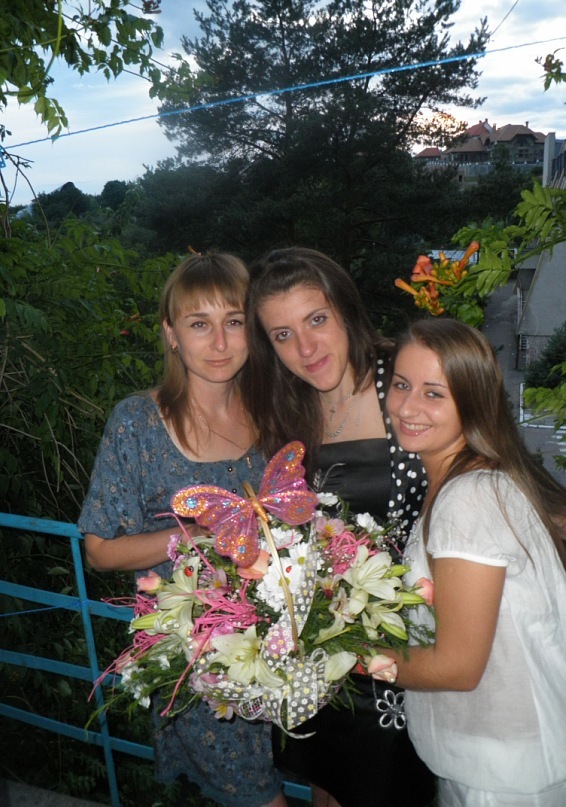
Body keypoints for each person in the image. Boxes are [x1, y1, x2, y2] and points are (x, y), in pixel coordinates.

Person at [78, 253, 287, 807]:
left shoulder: (273, 413)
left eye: (234, 321)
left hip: (285, 646)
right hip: (202, 660)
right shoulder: (138, 423)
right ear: (171, 334)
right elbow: (99, 550)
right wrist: (196, 535)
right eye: (199, 324)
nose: (219, 342)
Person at [377, 317, 566, 806]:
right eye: (401, 384)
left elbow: (457, 666)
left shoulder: (469, 499)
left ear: (473, 401)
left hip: (507, 774)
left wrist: (341, 656)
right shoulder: (473, 477)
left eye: (434, 394)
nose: (408, 407)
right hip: (495, 757)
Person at [244, 247, 436, 807]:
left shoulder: (404, 380)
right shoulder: (285, 409)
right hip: (320, 643)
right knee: (327, 787)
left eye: (317, 320)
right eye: (282, 335)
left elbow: (490, 458)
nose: (305, 348)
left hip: (407, 636)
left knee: (391, 788)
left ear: (345, 311)